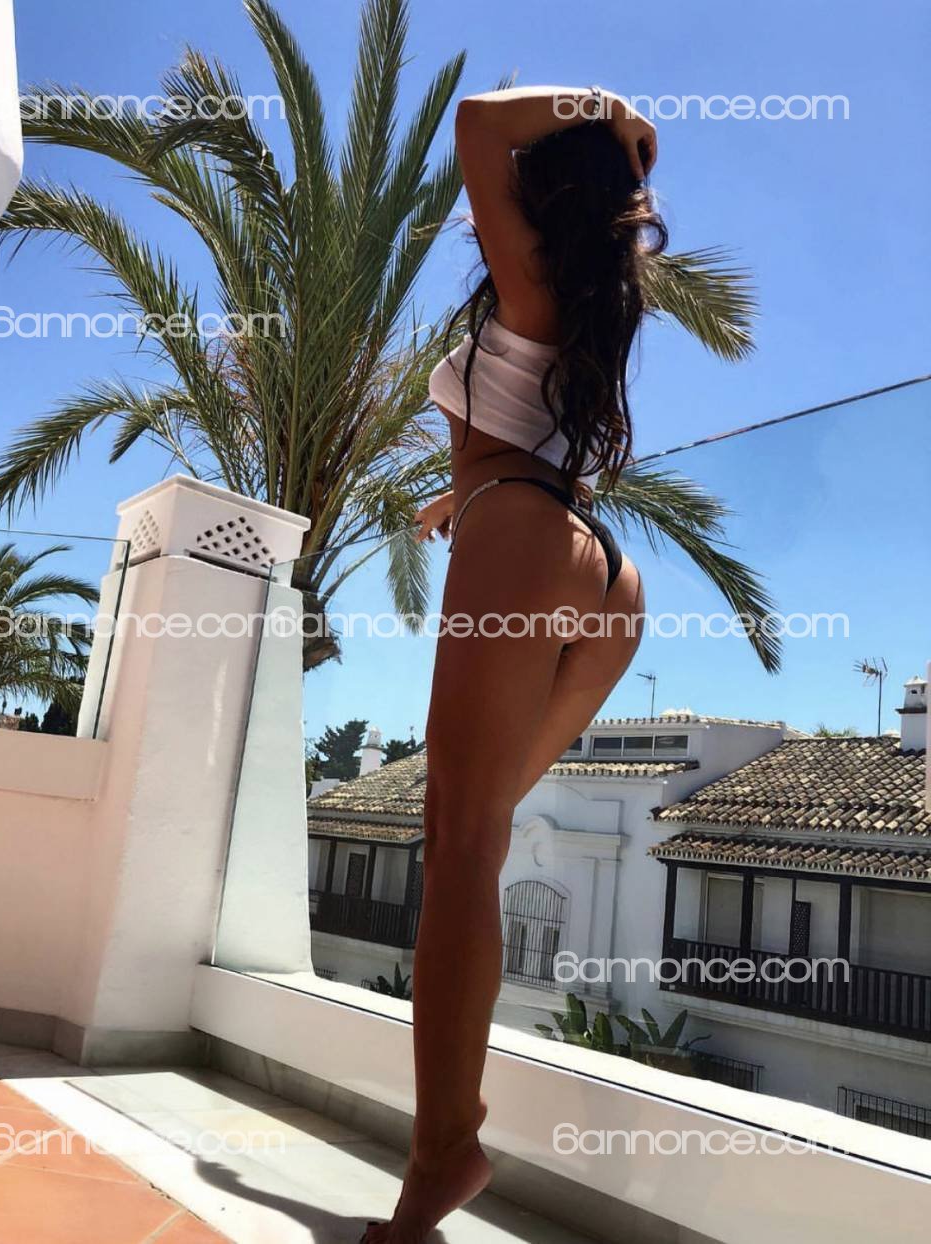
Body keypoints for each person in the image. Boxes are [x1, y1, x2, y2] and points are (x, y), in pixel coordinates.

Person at [362, 85, 663, 1244]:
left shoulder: (532, 280)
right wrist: (464, 496)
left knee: (461, 843)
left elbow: (479, 120)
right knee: (470, 834)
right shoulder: (579, 303)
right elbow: (532, 440)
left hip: (524, 537)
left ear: (544, 192)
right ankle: (442, 1144)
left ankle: (445, 1149)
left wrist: (611, 107)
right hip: (598, 568)